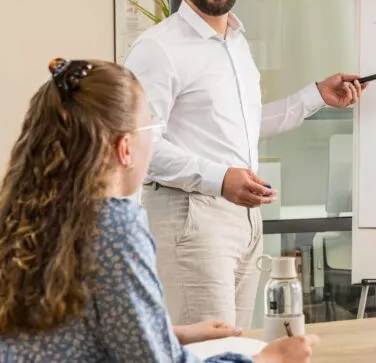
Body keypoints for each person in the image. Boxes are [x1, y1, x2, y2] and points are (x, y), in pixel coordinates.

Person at [124, 0, 367, 329]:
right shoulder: (158, 48)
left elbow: (244, 126)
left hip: (243, 218)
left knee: (233, 346)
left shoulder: (235, 41)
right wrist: (220, 179)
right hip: (190, 215)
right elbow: (139, 147)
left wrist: (316, 96)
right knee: (208, 351)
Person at [0, 58, 319, 362]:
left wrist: (170, 333)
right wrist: (268, 359)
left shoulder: (26, 214)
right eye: (151, 130)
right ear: (124, 149)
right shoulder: (115, 227)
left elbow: (67, 336)